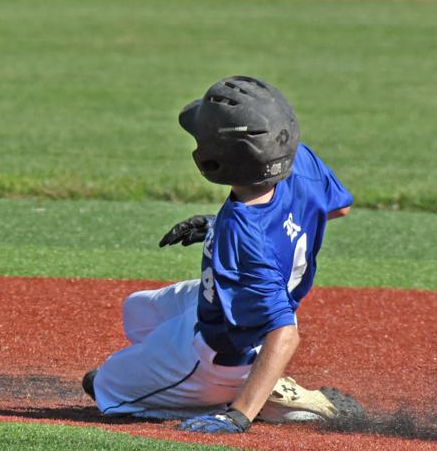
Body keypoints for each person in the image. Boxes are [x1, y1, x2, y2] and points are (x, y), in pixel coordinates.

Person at [81, 76, 354, 433]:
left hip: (221, 356)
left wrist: (238, 415)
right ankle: (251, 381)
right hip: (227, 305)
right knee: (137, 311)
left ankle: (245, 393)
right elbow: (337, 208)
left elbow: (284, 335)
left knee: (105, 385)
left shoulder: (242, 232)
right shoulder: (299, 160)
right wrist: (218, 227)